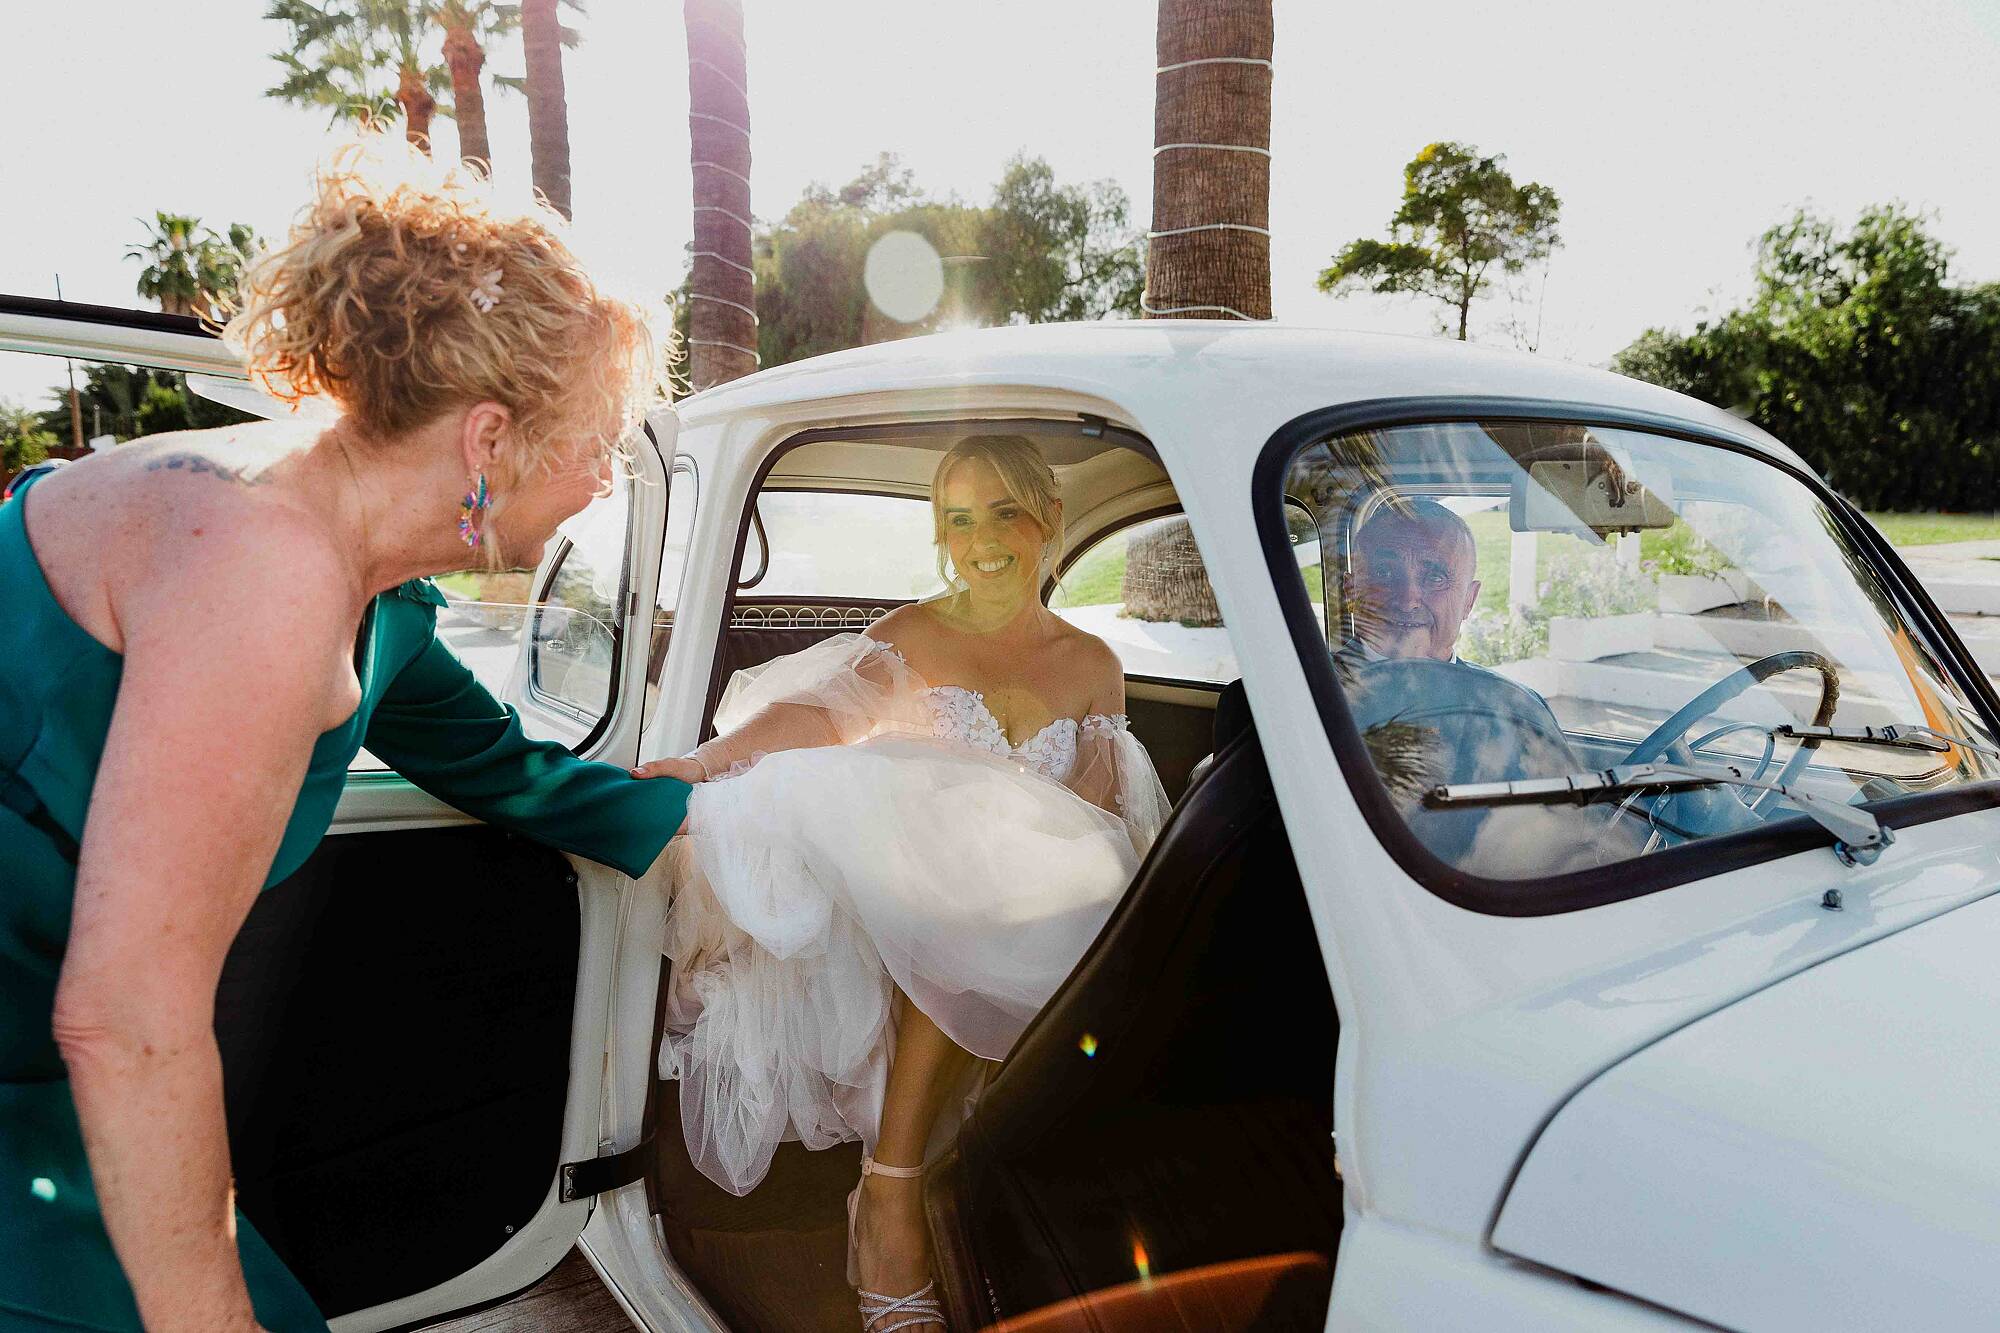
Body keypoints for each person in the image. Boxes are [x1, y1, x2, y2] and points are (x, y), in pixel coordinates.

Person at [0, 137, 691, 1333]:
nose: (596, 484)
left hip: (47, 1075)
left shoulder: (381, 597)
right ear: (488, 439)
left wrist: (732, 808)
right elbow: (125, 1017)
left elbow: (512, 776)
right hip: (68, 1064)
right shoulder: (263, 567)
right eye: (592, 444)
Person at [631, 435, 1169, 1331]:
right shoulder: (913, 634)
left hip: (1026, 903)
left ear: (1051, 524)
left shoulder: (1093, 663)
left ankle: (979, 1196)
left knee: (1047, 894)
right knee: (969, 906)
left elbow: (1098, 812)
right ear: (939, 535)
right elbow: (811, 715)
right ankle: (890, 1199)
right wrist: (701, 762)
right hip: (909, 901)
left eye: (1006, 512)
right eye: (959, 519)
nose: (981, 539)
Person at [1342, 497, 1482, 663]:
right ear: (1351, 592)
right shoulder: (1306, 685)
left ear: (1469, 600)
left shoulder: (1498, 690)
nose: (1407, 603)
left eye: (1435, 578)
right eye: (1384, 573)